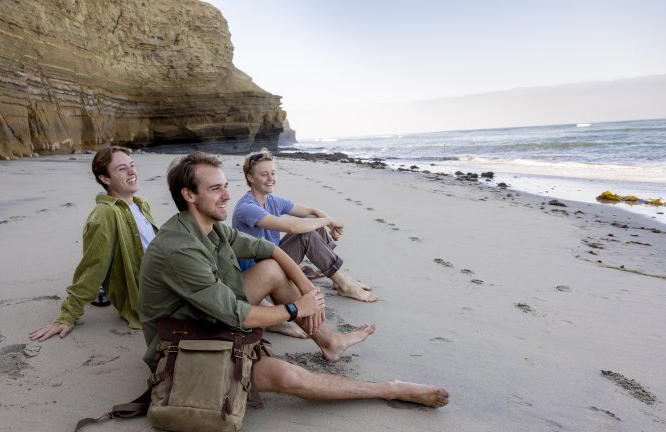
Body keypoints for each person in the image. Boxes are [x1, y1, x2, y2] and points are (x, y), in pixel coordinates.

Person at [137, 152, 449, 409]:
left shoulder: (211, 227)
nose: (227, 195)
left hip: (205, 317)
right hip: (182, 346)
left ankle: (330, 342)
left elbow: (268, 248)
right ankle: (388, 389)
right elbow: (237, 313)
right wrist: (294, 310)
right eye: (216, 189)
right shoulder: (179, 249)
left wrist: (307, 287)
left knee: (273, 267)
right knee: (287, 378)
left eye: (225, 185)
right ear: (189, 195)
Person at [29, 146, 158, 341]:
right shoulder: (105, 214)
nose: (132, 172)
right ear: (105, 179)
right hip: (152, 293)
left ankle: (104, 290)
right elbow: (92, 266)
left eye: (132, 165)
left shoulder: (141, 203)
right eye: (122, 169)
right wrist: (67, 316)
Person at [232, 148, 377, 302]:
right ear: (250, 178)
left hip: (272, 257)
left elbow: (311, 212)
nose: (270, 178)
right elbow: (292, 227)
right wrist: (329, 221)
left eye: (273, 173)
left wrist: (330, 224)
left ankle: (338, 277)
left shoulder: (272, 200)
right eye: (264, 174)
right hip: (258, 272)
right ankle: (344, 284)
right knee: (307, 233)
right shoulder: (246, 207)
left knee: (315, 225)